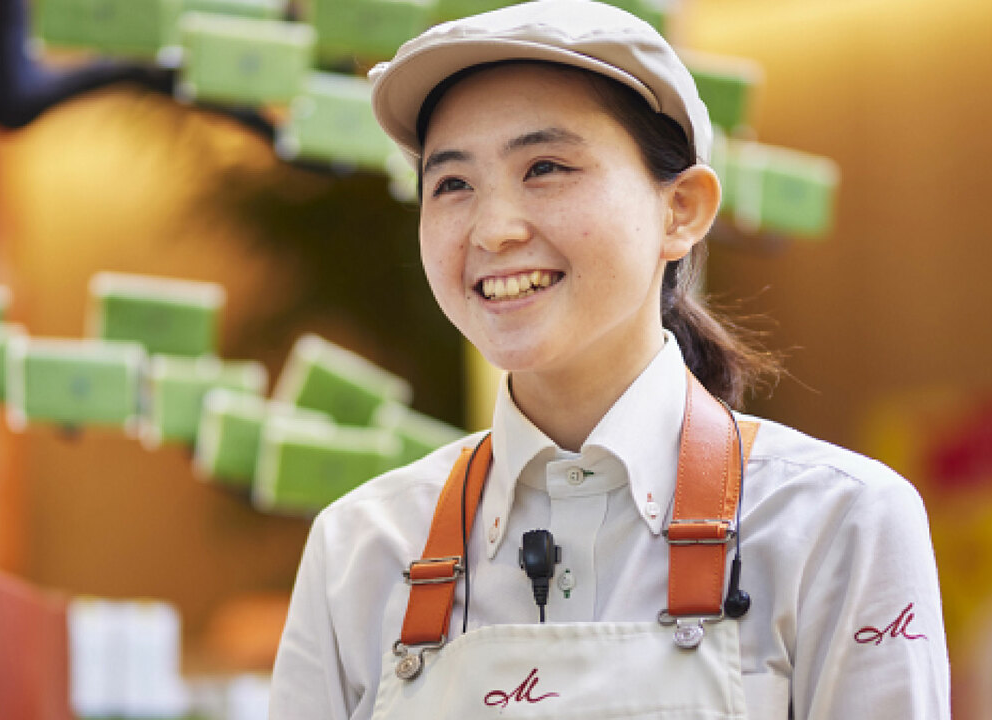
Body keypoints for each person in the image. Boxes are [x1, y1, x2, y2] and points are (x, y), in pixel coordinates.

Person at [269, 2, 950, 718]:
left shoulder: (838, 523)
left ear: (681, 209)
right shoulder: (359, 548)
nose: (494, 230)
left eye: (545, 167)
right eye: (452, 184)